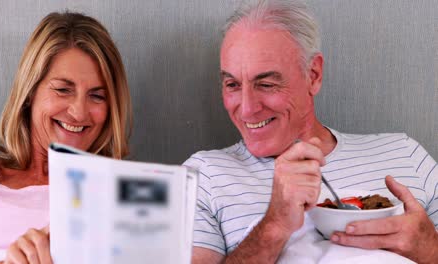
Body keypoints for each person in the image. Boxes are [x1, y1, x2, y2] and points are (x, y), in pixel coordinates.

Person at [184, 0, 438, 263]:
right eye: (232, 84)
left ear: (313, 75)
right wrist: (274, 225)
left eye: (267, 84)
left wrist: (430, 249)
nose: (247, 109)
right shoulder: (203, 177)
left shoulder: (405, 154)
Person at [0, 11, 132, 263]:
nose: (78, 112)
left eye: (97, 96)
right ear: (29, 93)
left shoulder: (121, 200)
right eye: (63, 90)